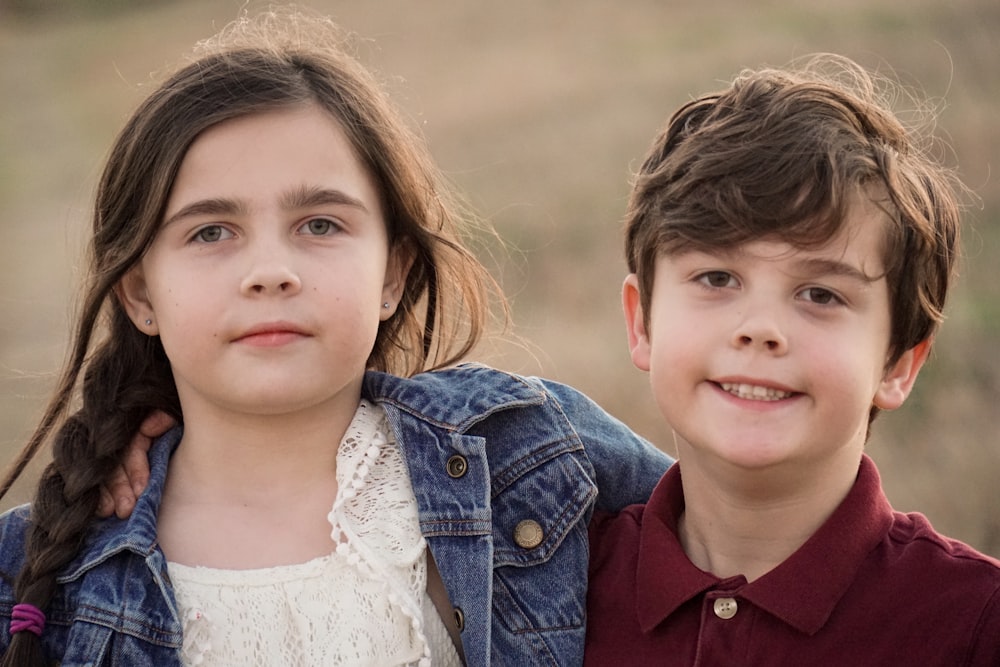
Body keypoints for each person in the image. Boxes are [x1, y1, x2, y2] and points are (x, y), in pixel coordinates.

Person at [0, 10, 672, 667]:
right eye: (210, 231)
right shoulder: (40, 572)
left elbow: (741, 538)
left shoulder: (525, 448)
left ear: (393, 271)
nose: (270, 272)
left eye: (320, 224)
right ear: (140, 293)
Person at [584, 55, 1000, 666]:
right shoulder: (546, 584)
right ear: (642, 321)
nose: (760, 330)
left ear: (898, 365)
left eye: (821, 294)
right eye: (718, 277)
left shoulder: (976, 625)